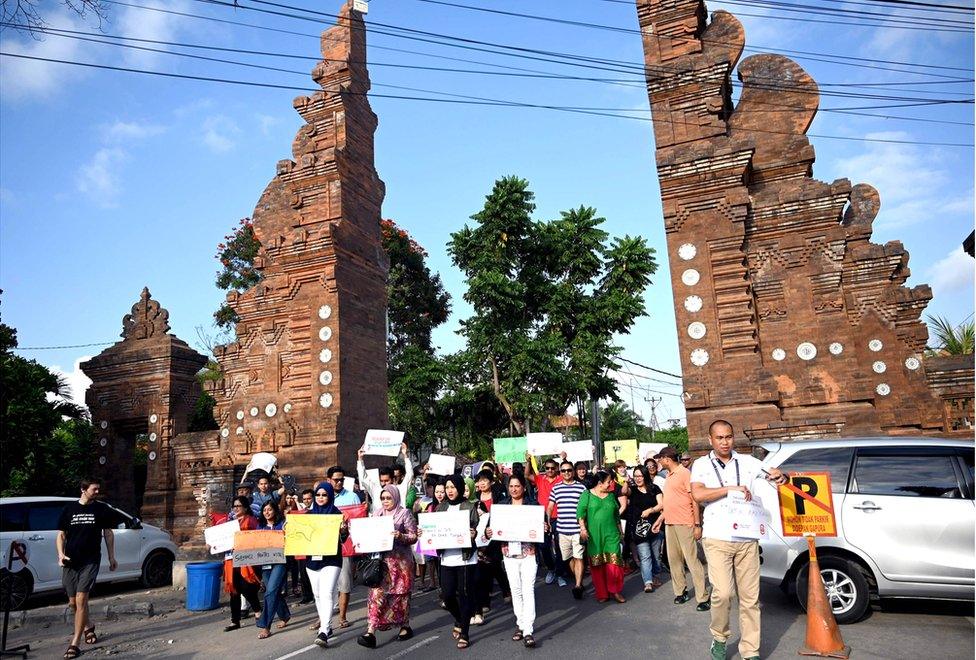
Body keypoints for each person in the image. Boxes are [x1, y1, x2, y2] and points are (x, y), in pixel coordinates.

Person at [691, 420, 789, 660]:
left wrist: (780, 477)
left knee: (750, 598)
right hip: (717, 537)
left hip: (747, 537)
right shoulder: (701, 464)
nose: (725, 442)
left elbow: (776, 477)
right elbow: (698, 493)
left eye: (729, 437)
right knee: (723, 593)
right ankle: (719, 637)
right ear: (710, 439)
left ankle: (750, 650)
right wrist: (730, 489)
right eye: (720, 438)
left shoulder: (748, 461)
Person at [56, 478, 118, 659]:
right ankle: (88, 626)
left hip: (90, 560)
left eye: (98, 488)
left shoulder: (101, 509)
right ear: (83, 489)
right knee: (73, 602)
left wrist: (112, 556)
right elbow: (61, 535)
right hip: (70, 561)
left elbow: (108, 533)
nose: (98, 492)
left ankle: (75, 643)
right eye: (94, 489)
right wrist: (61, 554)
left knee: (82, 599)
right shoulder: (69, 510)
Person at [423, 474, 479, 650]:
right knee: (447, 595)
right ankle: (459, 619)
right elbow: (433, 530)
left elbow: (475, 529)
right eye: (447, 488)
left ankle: (465, 633)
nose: (450, 491)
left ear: (460, 488)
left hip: (465, 558)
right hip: (446, 558)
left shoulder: (469, 507)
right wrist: (423, 533)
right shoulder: (440, 508)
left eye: (453, 487)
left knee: (464, 594)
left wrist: (473, 534)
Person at [358, 485, 418, 648]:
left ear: (395, 497)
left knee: (400, 597)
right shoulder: (377, 514)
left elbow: (413, 536)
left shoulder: (404, 513)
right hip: (381, 564)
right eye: (383, 498)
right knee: (376, 596)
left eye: (388, 498)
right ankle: (370, 631)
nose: (385, 501)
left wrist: (401, 536)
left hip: (400, 565)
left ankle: (404, 626)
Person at [651, 446, 709, 610]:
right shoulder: (669, 475)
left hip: (685, 523)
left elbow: (695, 500)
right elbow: (670, 502)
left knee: (692, 560)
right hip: (670, 523)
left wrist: (697, 524)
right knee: (674, 560)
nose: (659, 462)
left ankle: (702, 597)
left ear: (667, 458)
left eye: (660, 458)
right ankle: (680, 592)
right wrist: (661, 519)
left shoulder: (685, 474)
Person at [488, 473, 540, 648]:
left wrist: (544, 527)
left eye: (517, 486)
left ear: (524, 488)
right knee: (516, 591)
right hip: (509, 554)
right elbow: (492, 529)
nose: (514, 489)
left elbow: (541, 528)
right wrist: (490, 532)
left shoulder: (532, 505)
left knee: (528, 590)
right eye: (511, 486)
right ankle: (520, 624)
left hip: (529, 553)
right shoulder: (502, 506)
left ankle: (528, 631)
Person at [302, 482, 348, 647]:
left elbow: (343, 539)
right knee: (318, 595)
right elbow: (300, 537)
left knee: (327, 592)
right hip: (312, 560)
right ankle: (326, 626)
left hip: (331, 559)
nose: (321, 498)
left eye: (324, 495)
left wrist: (343, 530)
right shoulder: (308, 516)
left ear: (329, 496)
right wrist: (290, 529)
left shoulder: (337, 514)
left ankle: (324, 629)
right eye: (318, 495)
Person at [577, 470, 626, 603]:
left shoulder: (610, 496)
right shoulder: (586, 495)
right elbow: (580, 513)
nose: (611, 484)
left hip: (612, 534)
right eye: (608, 481)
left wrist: (621, 532)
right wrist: (583, 529)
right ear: (600, 483)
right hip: (594, 536)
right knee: (597, 565)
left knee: (614, 563)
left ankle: (615, 591)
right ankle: (602, 593)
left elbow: (616, 516)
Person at [473, 469, 511, 623]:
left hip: (495, 536)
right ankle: (485, 601)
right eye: (479, 480)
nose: (482, 483)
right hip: (479, 537)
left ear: (491, 482)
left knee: (494, 565)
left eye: (484, 480)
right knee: (482, 569)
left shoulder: (498, 495)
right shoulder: (475, 498)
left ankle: (505, 589)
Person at [328, 465, 361, 629]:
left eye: (341, 479)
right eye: (336, 480)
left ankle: (342, 616)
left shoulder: (353, 497)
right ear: (328, 480)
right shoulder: (322, 496)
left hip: (346, 546)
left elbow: (358, 522)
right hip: (325, 546)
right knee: (326, 586)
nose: (339, 482)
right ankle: (323, 619)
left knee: (345, 583)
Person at [547, 461, 587, 600]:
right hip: (562, 530)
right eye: (563, 471)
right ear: (560, 472)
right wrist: (547, 520)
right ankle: (578, 577)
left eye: (569, 470)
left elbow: (585, 508)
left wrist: (584, 527)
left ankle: (577, 585)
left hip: (577, 530)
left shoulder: (581, 488)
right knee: (568, 558)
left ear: (573, 471)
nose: (566, 473)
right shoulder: (556, 488)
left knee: (579, 556)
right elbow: (550, 506)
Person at [526, 454, 567, 587]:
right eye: (547, 468)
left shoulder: (561, 479)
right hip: (542, 517)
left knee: (560, 546)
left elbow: (568, 471)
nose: (550, 470)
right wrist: (528, 461)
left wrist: (564, 459)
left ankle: (560, 573)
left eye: (552, 468)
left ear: (556, 469)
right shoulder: (540, 479)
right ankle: (551, 569)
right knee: (544, 546)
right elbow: (527, 475)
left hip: (559, 516)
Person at [223, 496, 262, 633]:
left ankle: (257, 611)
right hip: (231, 558)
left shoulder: (251, 521)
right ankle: (235, 620)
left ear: (245, 508)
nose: (236, 508)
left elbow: (256, 538)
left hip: (246, 559)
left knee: (246, 587)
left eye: (238, 506)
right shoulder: (229, 523)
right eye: (234, 506)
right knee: (233, 588)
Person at [626, 465, 664, 592]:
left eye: (640, 476)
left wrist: (650, 510)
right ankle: (648, 582)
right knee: (645, 556)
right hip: (639, 529)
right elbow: (625, 492)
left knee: (656, 555)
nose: (638, 479)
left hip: (655, 526)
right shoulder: (633, 490)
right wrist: (626, 482)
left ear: (645, 476)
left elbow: (661, 504)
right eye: (635, 476)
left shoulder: (654, 488)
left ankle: (656, 574)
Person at [256, 501, 290, 639]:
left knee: (270, 592)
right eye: (264, 510)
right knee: (274, 591)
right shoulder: (260, 527)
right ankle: (285, 615)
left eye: (269, 510)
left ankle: (266, 626)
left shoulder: (282, 524)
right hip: (265, 563)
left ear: (275, 511)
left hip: (280, 562)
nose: (267, 512)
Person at [358, 443, 414, 514]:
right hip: (379, 523)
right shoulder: (376, 490)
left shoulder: (400, 489)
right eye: (382, 481)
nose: (384, 483)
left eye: (387, 480)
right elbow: (363, 479)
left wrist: (405, 455)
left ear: (393, 480)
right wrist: (360, 459)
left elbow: (410, 475)